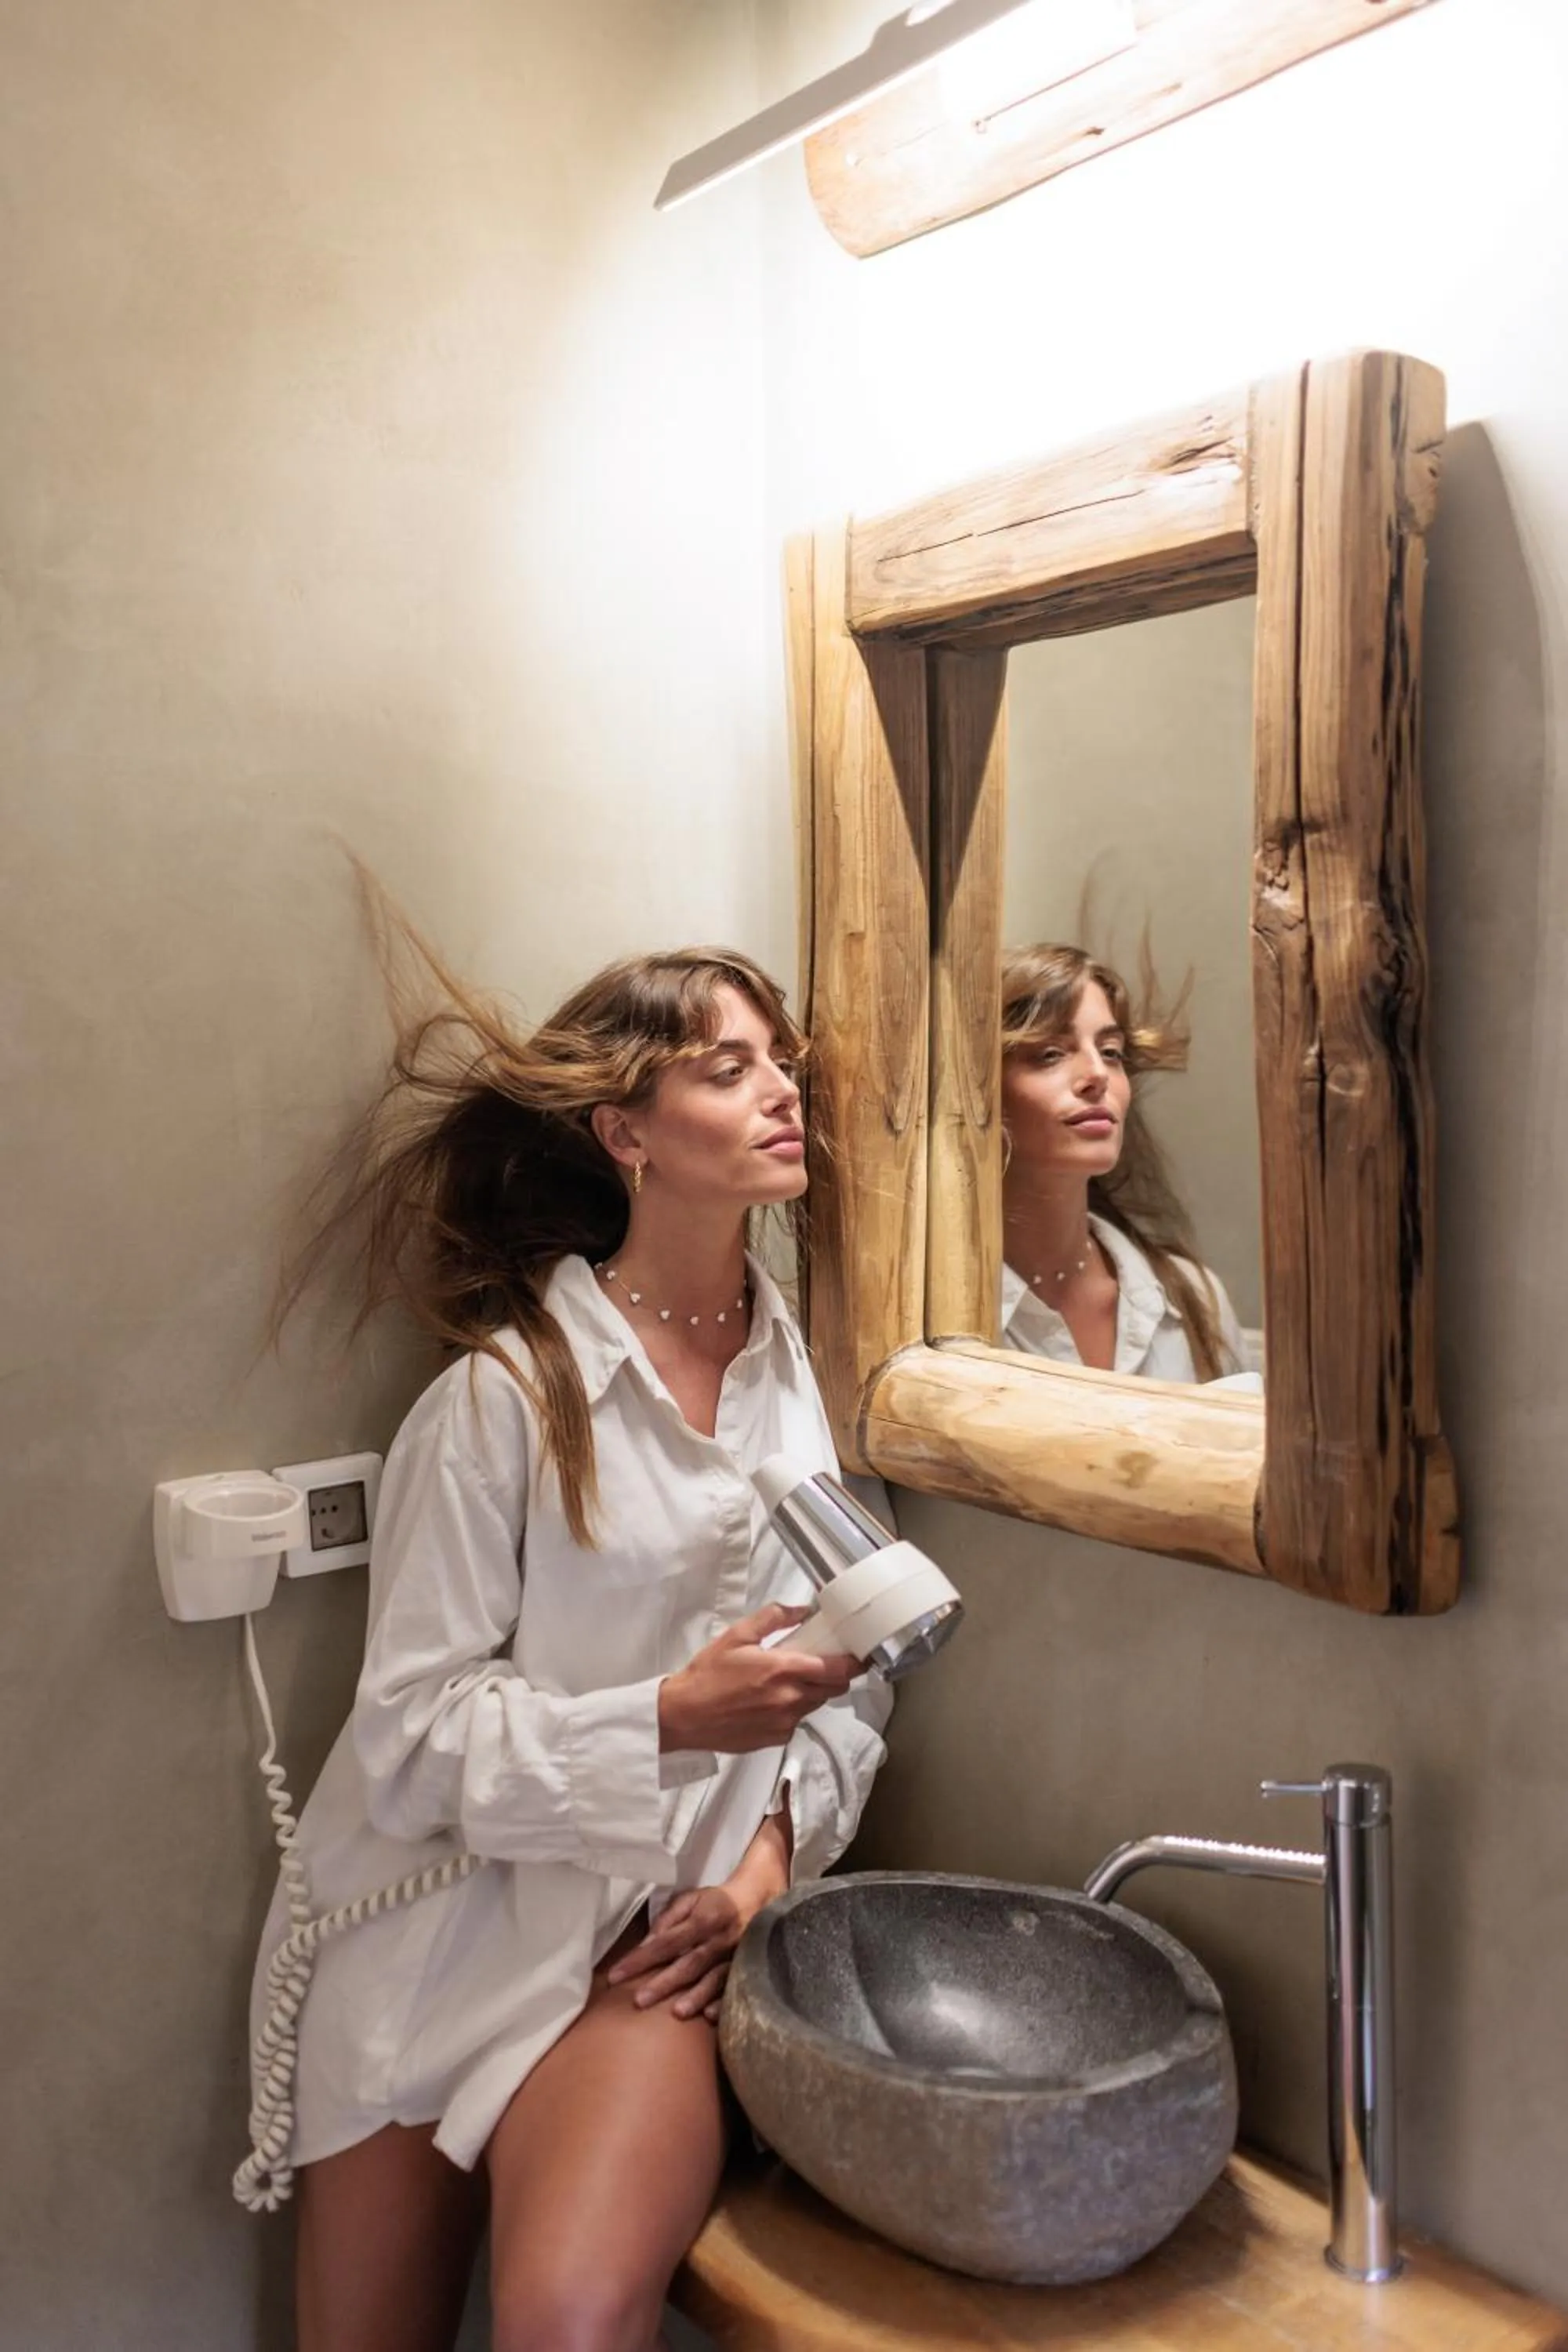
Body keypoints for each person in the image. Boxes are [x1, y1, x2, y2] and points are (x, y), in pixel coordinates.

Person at [249, 922, 892, 2352]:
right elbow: (407, 1739)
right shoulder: (500, 1401)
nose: (782, 1089)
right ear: (626, 1133)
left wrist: (762, 1875)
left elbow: (856, 1689)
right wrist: (666, 1717)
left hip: (651, 1945)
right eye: (728, 1068)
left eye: (782, 1062)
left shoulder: (821, 1398)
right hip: (436, 1927)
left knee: (572, 2321)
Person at [999, 942, 1250, 1381]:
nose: (1097, 1074)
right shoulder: (931, 1318)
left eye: (1111, 1051)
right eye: (1050, 1054)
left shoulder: (1194, 1298)